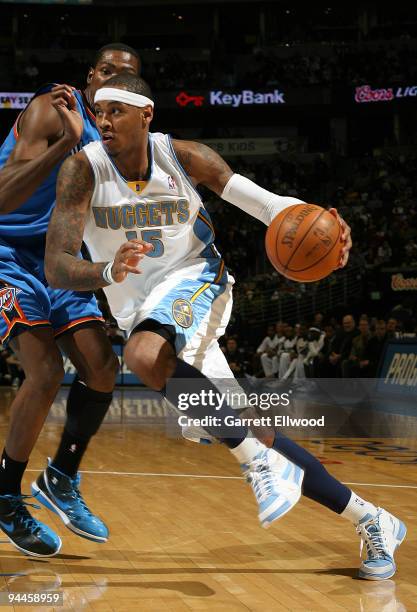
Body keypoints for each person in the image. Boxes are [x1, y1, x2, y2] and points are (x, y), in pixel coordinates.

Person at [45, 74, 405, 580]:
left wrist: (322, 220)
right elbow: (57, 265)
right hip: (140, 310)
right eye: (97, 110)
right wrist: (107, 271)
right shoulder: (81, 171)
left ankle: (258, 464)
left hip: (196, 280)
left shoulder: (184, 156)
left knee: (145, 357)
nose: (102, 120)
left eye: (115, 110)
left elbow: (265, 204)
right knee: (248, 428)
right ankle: (372, 519)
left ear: (146, 114)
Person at [0, 43, 141, 557]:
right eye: (106, 72)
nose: (111, 82)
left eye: (123, 78)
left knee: (102, 367)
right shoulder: (50, 110)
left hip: (62, 256)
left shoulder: (121, 137)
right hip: (7, 253)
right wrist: (67, 146)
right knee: (43, 370)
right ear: (90, 76)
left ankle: (60, 477)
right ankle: (6, 494)